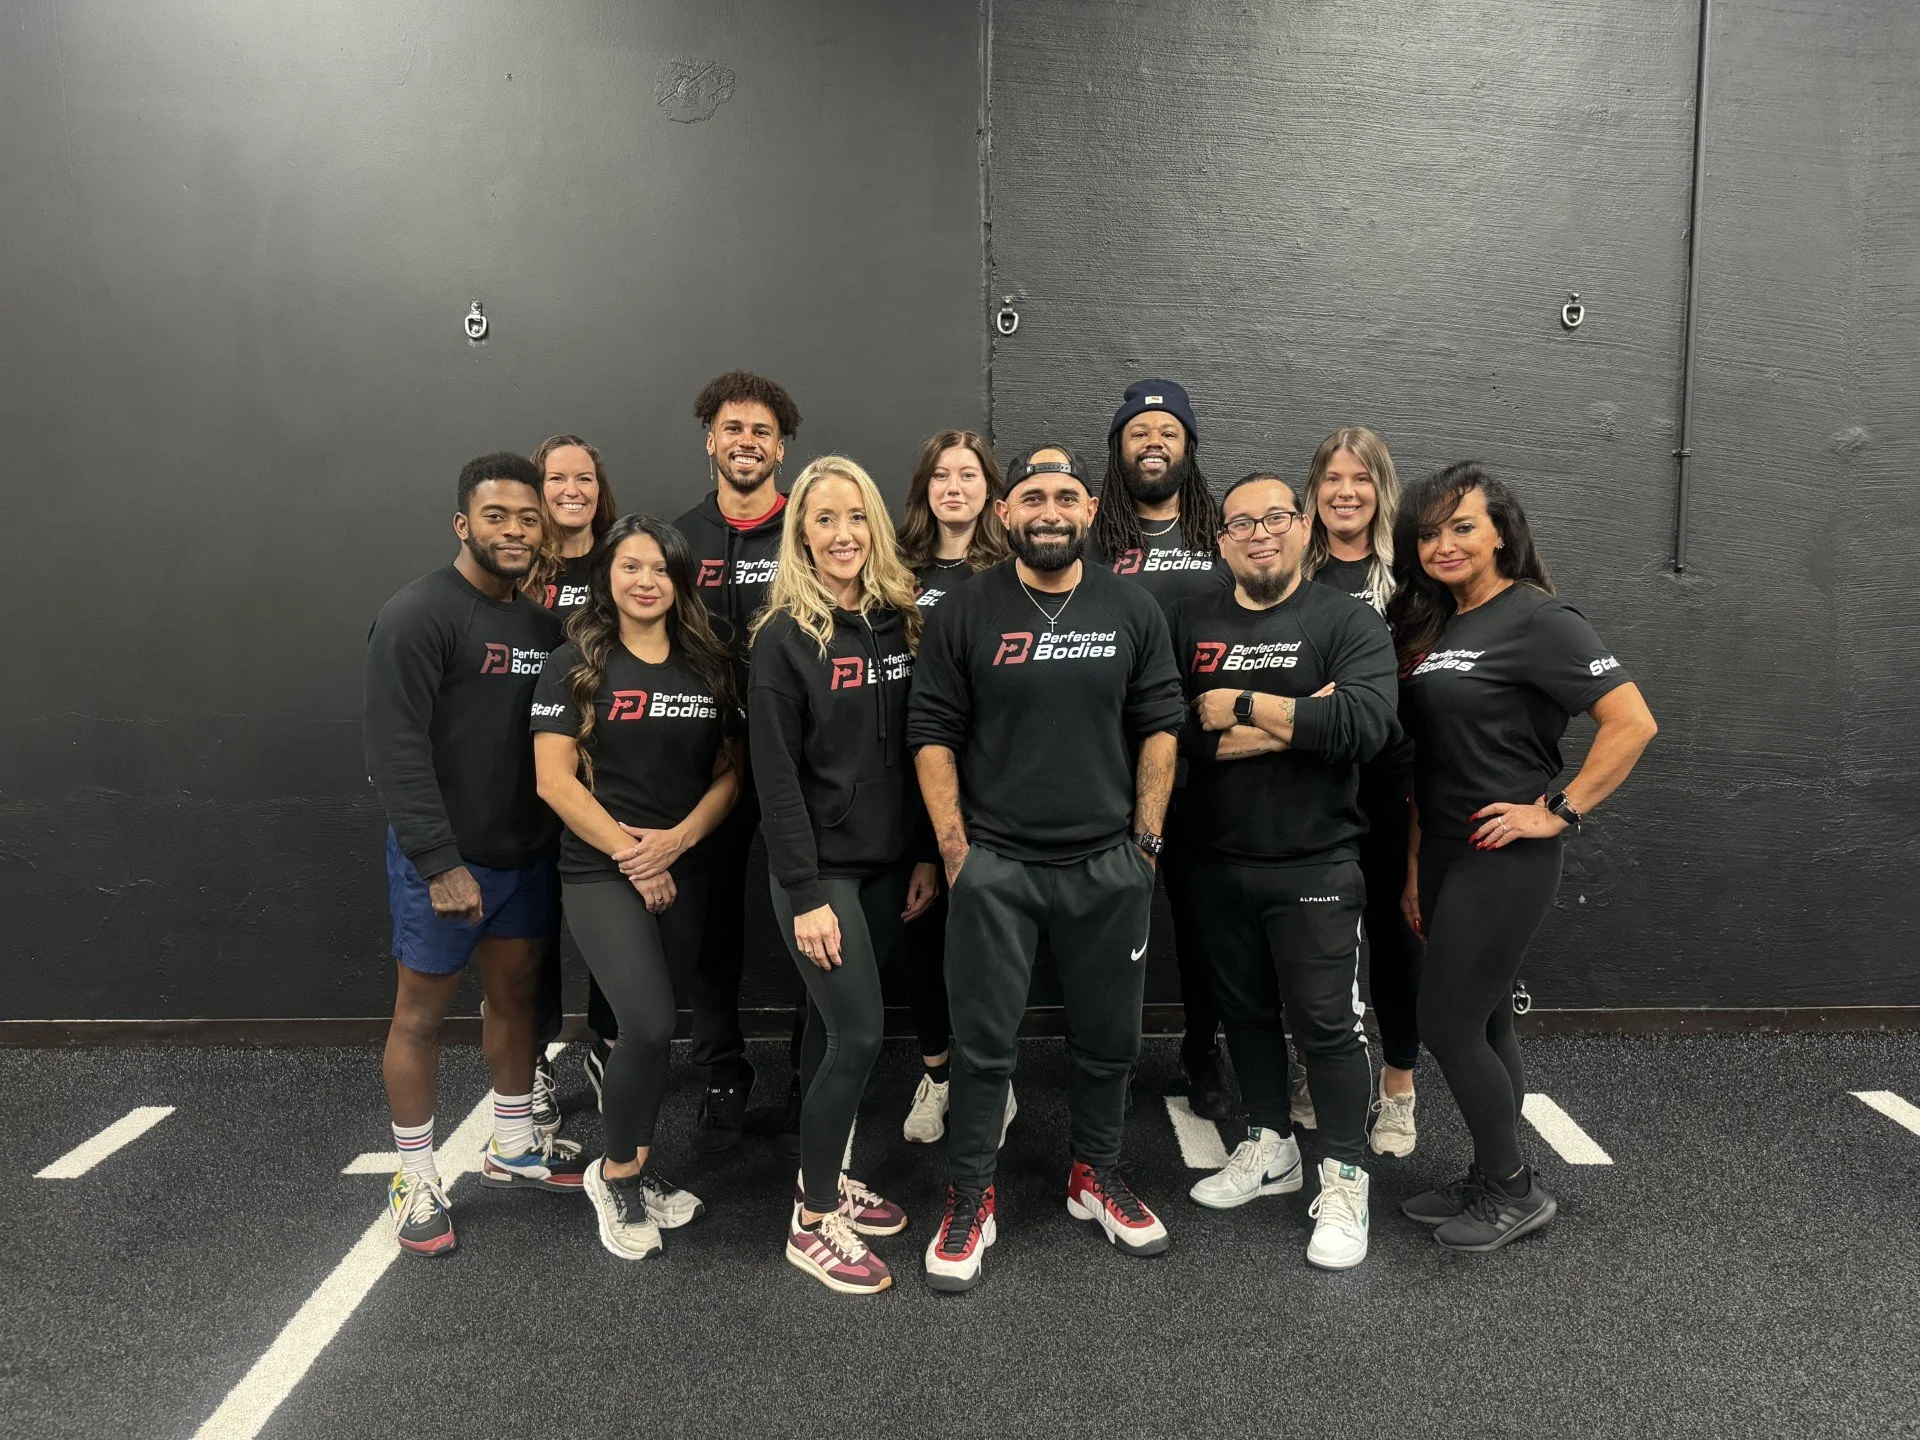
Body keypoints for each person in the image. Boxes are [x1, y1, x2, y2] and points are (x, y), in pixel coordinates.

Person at [909, 444, 1185, 1293]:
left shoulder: (1132, 606)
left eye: (1066, 497)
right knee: (982, 1047)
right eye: (1033, 498)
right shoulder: (966, 610)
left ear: (1089, 509)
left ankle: (1095, 1174)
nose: (1051, 512)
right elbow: (931, 734)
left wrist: (1145, 846)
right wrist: (958, 854)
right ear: (1005, 513)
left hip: (1108, 865)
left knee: (1109, 1041)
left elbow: (1160, 725)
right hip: (997, 867)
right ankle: (970, 1195)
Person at [1389, 463, 1656, 1252]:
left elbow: (1632, 722)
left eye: (1461, 527)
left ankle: (1512, 1190)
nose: (1443, 544)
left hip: (1500, 857)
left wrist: (1559, 811)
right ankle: (1491, 1173)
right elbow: (1429, 760)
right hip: (1443, 848)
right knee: (1487, 1017)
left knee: (1446, 1023)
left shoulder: (1540, 618)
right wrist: (1414, 866)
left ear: (1501, 533)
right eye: (1429, 533)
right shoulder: (1444, 623)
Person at [364, 452, 588, 1259]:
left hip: (525, 856)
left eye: (528, 518)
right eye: (497, 517)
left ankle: (513, 1144)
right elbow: (393, 751)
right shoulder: (417, 614)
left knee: (516, 1001)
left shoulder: (542, 627)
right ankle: (415, 1175)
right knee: (420, 1015)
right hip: (446, 861)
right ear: (464, 524)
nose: (515, 531)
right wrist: (437, 861)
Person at [1172, 474, 1399, 1269]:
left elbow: (1365, 724)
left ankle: (1344, 1176)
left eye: (1274, 517)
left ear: (1303, 527)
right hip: (1215, 861)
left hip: (1316, 861)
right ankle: (1271, 1143)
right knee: (1245, 1017)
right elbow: (1178, 733)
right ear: (1222, 541)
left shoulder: (1345, 620)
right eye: (1241, 523)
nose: (1259, 533)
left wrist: (1240, 703)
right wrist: (1305, 718)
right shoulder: (1191, 620)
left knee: (1327, 1027)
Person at [750, 456, 939, 1294]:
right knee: (860, 1036)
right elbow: (775, 777)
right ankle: (812, 1219)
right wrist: (802, 894)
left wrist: (923, 851)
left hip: (888, 864)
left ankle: (822, 1180)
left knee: (832, 1033)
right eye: (823, 518)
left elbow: (924, 744)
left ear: (875, 526)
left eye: (855, 516)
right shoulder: (784, 639)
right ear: (800, 532)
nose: (842, 534)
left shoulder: (901, 620)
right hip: (820, 872)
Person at [530, 515, 739, 1260]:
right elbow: (553, 781)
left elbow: (731, 775)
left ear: (680, 580)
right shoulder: (573, 662)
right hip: (601, 868)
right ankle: (615, 1176)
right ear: (607, 577)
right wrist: (633, 855)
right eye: (630, 566)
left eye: (660, 568)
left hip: (685, 864)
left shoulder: (709, 664)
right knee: (644, 1024)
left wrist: (676, 843)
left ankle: (640, 1165)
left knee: (656, 1030)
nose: (645, 581)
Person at [1089, 380, 1234, 1121]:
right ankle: (1107, 1055)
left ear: (1189, 447)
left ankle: (1202, 1048)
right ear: (1118, 447)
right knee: (1113, 919)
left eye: (1168, 431)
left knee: (1204, 923)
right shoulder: (1093, 539)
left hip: (1210, 767)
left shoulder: (1221, 537)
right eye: (1139, 431)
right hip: (1116, 767)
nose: (1153, 442)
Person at [673, 371, 804, 1154]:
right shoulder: (678, 539)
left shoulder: (811, 528)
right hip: (705, 758)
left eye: (761, 431)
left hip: (797, 755)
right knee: (709, 921)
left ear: (781, 448)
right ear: (710, 441)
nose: (746, 441)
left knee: (813, 912)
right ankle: (722, 1068)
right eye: (733, 428)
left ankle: (809, 1068)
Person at [1302, 427, 1423, 1157]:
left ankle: (1399, 1087)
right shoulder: (1295, 566)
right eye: (1332, 477)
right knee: (1313, 936)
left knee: (1394, 934)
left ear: (1382, 488)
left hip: (1391, 778)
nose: (1345, 491)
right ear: (1313, 490)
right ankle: (1317, 1071)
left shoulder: (1410, 575)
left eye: (1361, 478)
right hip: (1314, 777)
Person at [892, 429, 1011, 1144]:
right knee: (921, 938)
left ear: (990, 490)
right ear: (925, 488)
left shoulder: (1014, 568)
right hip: (909, 779)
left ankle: (994, 1078)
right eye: (941, 475)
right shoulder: (894, 569)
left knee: (989, 947)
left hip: (991, 783)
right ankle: (937, 1074)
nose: (954, 487)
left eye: (968, 474)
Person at [524, 434, 621, 1124]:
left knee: (615, 920)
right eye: (556, 478)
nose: (571, 490)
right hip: (534, 768)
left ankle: (609, 1047)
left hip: (610, 770)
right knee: (533, 928)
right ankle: (531, 1058)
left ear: (599, 487)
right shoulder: (519, 568)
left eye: (583, 478)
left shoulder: (620, 559)